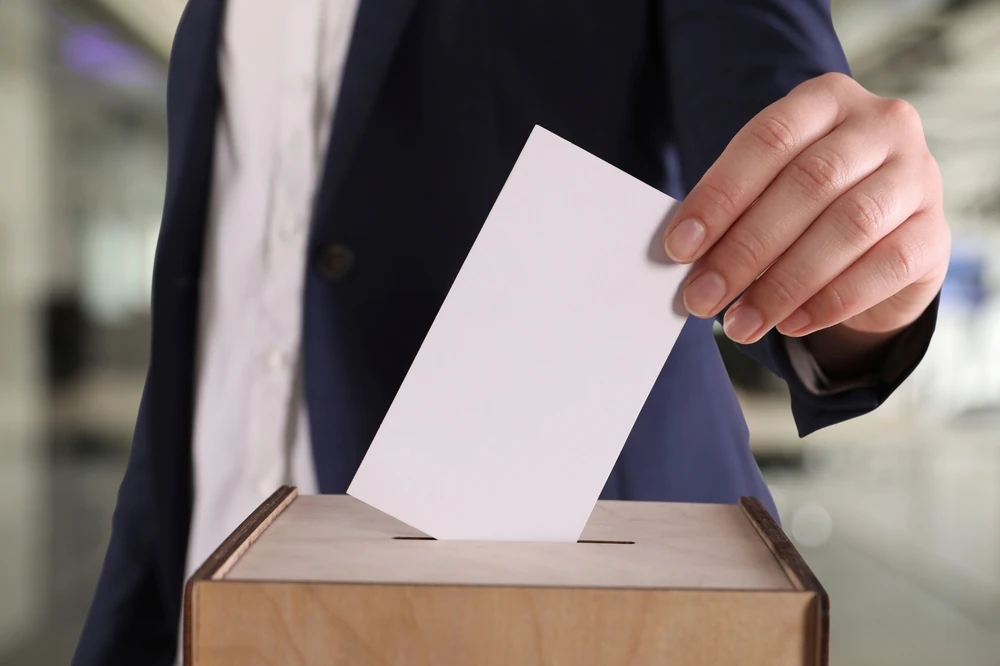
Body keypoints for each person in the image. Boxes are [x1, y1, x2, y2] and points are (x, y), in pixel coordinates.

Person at [73, 1, 949, 664]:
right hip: (212, 614)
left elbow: (788, 149)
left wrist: (864, 263)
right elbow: (216, 330)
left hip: (554, 615)